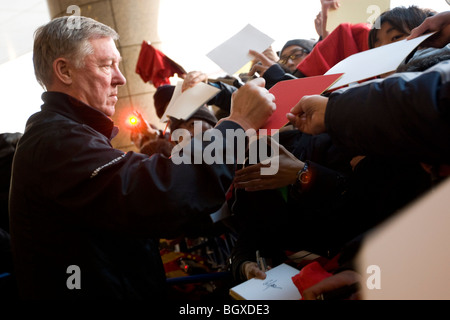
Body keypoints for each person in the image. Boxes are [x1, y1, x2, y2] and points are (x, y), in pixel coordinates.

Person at [8, 15, 275, 300]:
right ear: (64, 71)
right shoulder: (57, 141)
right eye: (106, 64)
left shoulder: (65, 135)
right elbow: (161, 192)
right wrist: (238, 125)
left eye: (118, 65)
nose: (120, 78)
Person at [289, 12, 450, 299]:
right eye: (378, 43)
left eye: (398, 38)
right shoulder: (361, 114)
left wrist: (304, 174)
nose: (388, 50)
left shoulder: (364, 113)